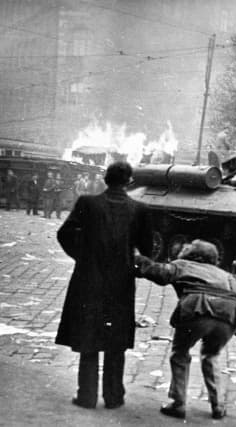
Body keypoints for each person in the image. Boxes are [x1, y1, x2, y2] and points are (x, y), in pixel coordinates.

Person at [55, 161, 153, 410]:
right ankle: (114, 397)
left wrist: (83, 257)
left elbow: (64, 234)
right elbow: (148, 249)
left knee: (89, 336)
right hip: (121, 284)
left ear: (105, 179)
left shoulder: (88, 203)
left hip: (89, 280)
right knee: (116, 340)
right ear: (130, 181)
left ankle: (86, 396)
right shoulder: (139, 208)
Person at [134, 239, 236, 420]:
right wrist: (235, 320)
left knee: (180, 353)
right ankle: (218, 405)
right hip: (228, 314)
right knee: (211, 355)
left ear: (191, 253)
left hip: (197, 308)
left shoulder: (183, 265)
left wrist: (137, 258)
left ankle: (178, 403)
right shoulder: (225, 275)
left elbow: (159, 274)